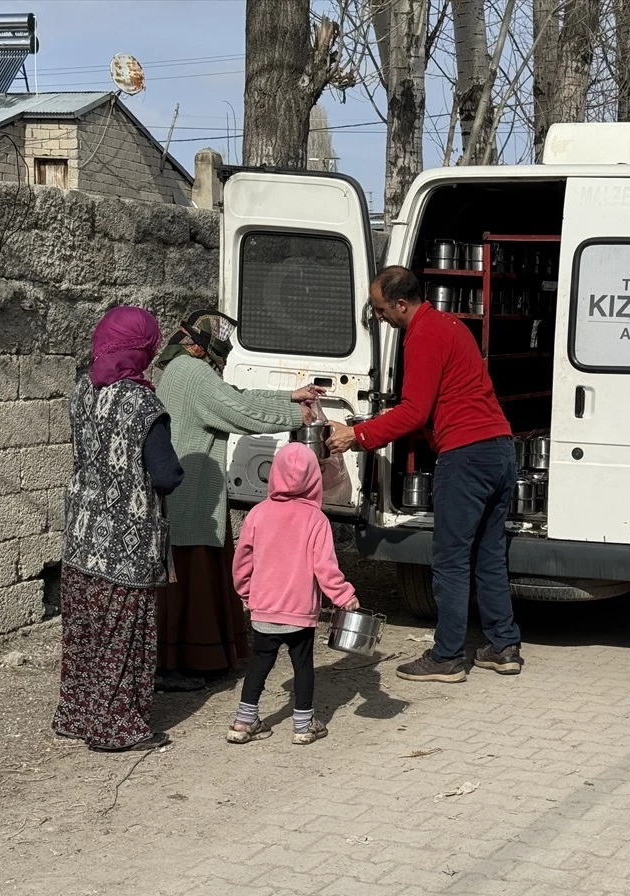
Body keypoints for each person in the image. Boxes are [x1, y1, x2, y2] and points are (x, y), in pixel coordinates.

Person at [326, 266, 523, 683]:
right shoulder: (451, 325)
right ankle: (503, 646)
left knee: (450, 560)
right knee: (488, 556)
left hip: (466, 454)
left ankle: (447, 656)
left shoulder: (424, 334)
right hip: (499, 448)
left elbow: (416, 410)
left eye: (381, 309)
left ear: (401, 304)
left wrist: (357, 435)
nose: (378, 316)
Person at [154, 309, 325, 691]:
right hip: (191, 497)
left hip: (185, 495)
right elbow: (239, 410)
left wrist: (289, 396)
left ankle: (184, 660)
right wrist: (295, 413)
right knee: (192, 580)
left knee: (189, 579)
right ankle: (184, 661)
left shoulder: (181, 369)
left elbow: (233, 396)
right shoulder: (194, 375)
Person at [53, 306, 184, 752]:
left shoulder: (82, 391)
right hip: (125, 548)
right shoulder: (143, 403)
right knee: (120, 637)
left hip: (80, 537)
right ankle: (114, 727)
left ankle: (76, 714)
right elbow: (165, 476)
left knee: (85, 633)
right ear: (142, 348)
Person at [228, 442, 361, 745]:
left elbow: (242, 561)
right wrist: (343, 596)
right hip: (300, 612)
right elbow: (325, 568)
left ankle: (243, 722)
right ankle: (303, 726)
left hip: (265, 608)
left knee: (260, 663)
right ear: (315, 478)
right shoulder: (316, 520)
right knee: (303, 666)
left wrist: (246, 592)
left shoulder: (258, 514)